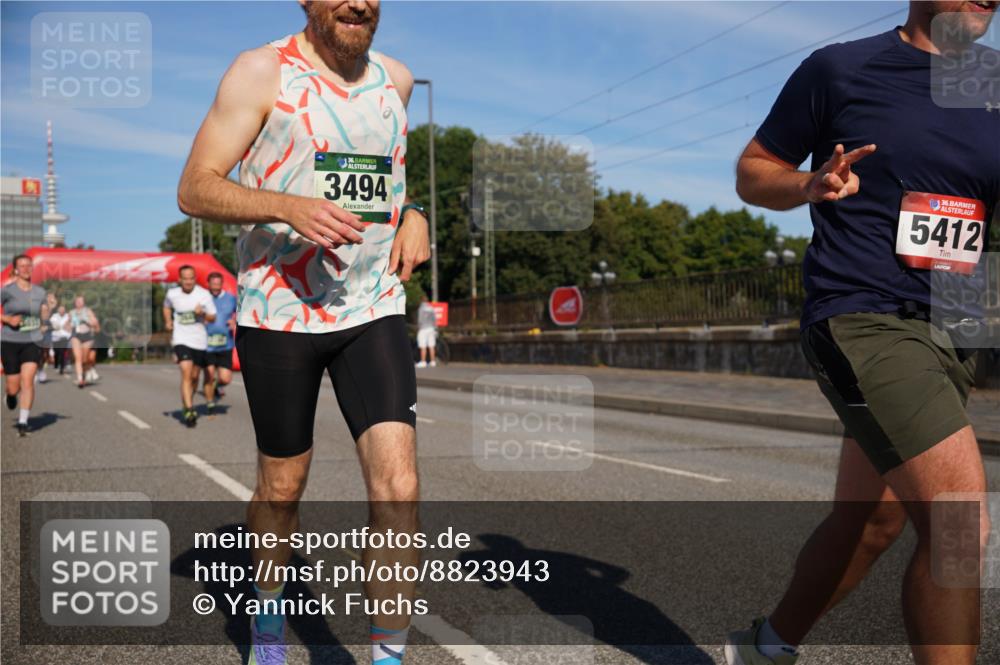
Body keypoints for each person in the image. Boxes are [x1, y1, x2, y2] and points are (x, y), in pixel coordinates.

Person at [727, 3, 997, 665]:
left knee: (873, 522)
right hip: (863, 315)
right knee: (961, 522)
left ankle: (763, 648)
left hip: (953, 326)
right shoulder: (843, 69)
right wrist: (807, 183)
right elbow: (753, 170)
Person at [177, 1, 430, 662]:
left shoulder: (396, 81)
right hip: (278, 312)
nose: (359, 3)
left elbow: (389, 179)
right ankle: (267, 622)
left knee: (399, 485)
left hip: (371, 306)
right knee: (282, 488)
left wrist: (415, 213)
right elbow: (195, 187)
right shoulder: (261, 72)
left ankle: (388, 657)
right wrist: (287, 205)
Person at [163, 265, 216, 427]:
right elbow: (166, 306)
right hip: (181, 339)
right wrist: (168, 321)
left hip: (199, 341)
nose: (188, 281)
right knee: (186, 372)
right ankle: (189, 409)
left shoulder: (203, 294)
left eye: (191, 278)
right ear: (179, 279)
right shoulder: (172, 293)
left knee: (194, 377)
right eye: (185, 278)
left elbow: (213, 317)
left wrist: (202, 314)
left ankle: (188, 401)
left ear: (195, 279)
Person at [1, 255, 49, 436]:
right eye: (22, 266)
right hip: (9, 341)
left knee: (28, 381)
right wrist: (7, 318)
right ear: (15, 269)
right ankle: (11, 396)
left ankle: (23, 421)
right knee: (14, 385)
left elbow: (44, 314)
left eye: (29, 265)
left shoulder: (39, 292)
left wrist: (45, 316)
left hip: (32, 340)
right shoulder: (7, 291)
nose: (26, 269)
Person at [203, 272, 237, 414]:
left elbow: (241, 313)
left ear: (221, 284)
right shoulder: (202, 298)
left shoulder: (231, 298)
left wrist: (235, 321)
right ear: (208, 284)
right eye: (213, 284)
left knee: (226, 378)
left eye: (218, 284)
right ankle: (210, 403)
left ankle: (217, 386)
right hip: (206, 344)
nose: (216, 287)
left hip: (225, 344)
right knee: (209, 375)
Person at [69, 296, 99, 389]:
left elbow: (95, 323)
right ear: (75, 302)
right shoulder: (71, 312)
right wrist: (70, 325)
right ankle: (80, 378)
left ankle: (84, 374)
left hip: (87, 336)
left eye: (81, 301)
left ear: (83, 303)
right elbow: (67, 325)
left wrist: (87, 321)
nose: (79, 302)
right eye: (77, 301)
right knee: (78, 358)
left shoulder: (88, 311)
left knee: (85, 360)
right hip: (76, 336)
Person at [48, 302, 72, 375]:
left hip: (64, 337)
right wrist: (56, 326)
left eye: (63, 309)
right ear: (58, 310)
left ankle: (62, 367)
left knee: (62, 352)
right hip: (55, 337)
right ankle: (56, 365)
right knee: (56, 352)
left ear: (65, 310)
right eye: (60, 309)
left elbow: (70, 325)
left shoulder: (68, 316)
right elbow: (53, 324)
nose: (61, 311)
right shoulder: (54, 316)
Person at [415, 294, 437, 368]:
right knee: (431, 345)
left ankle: (423, 361)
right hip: (431, 328)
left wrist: (418, 328)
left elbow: (420, 320)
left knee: (423, 345)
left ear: (421, 300)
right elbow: (434, 320)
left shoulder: (421, 308)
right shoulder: (431, 308)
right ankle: (433, 361)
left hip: (423, 329)